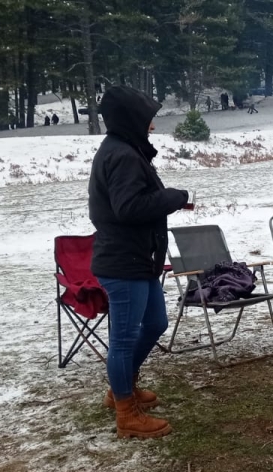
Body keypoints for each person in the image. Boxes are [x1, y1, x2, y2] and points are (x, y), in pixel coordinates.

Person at [88, 85, 191, 439]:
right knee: (123, 338)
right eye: (147, 117)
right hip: (123, 261)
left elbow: (133, 200)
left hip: (137, 258)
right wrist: (173, 198)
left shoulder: (125, 150)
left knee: (156, 323)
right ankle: (125, 412)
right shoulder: (123, 156)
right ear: (132, 118)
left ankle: (122, 389)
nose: (152, 123)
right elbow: (129, 208)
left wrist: (166, 199)